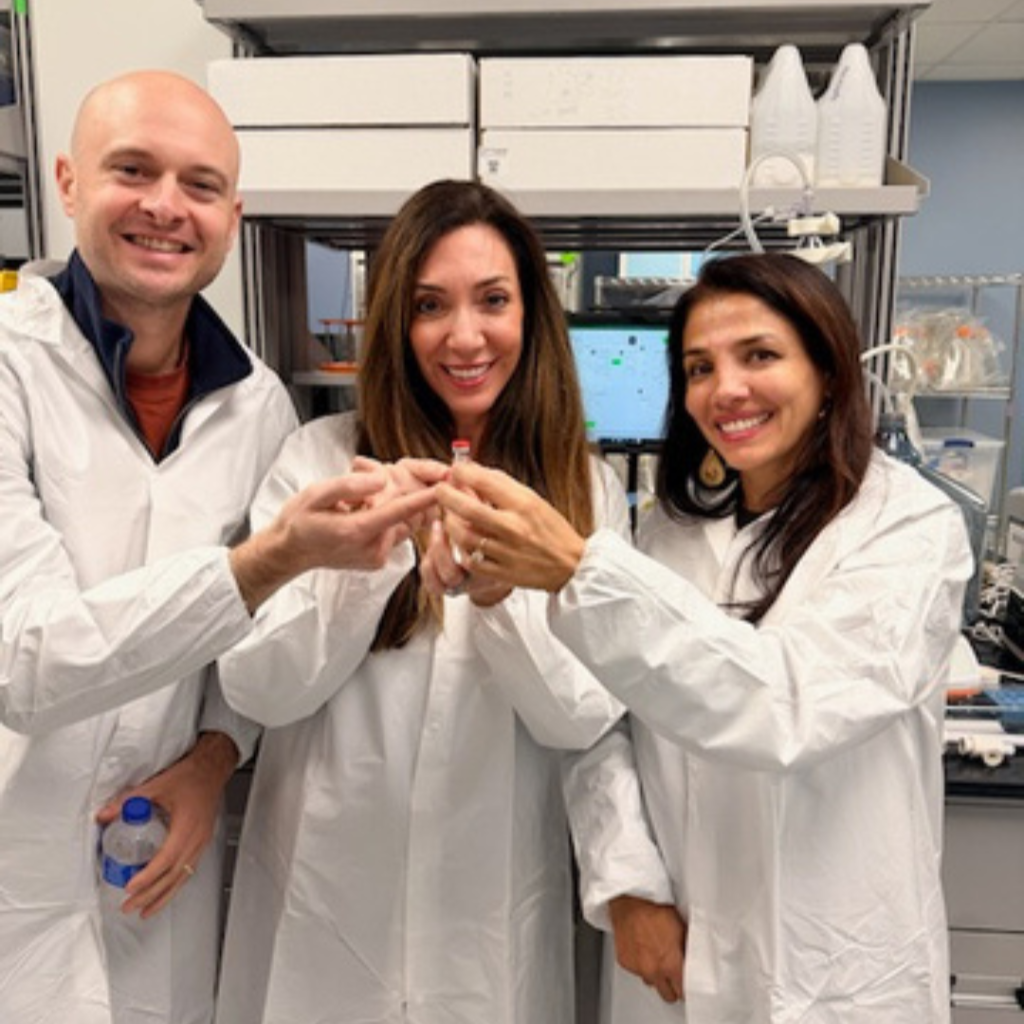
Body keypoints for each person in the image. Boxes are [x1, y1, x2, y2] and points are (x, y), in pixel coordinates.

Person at [0, 70, 441, 1024]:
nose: (166, 207)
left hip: (159, 853)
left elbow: (239, 666)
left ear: (232, 216)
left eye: (199, 185)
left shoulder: (257, 406)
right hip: (16, 847)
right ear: (69, 183)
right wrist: (270, 559)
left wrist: (211, 761)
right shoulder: (8, 365)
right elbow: (27, 661)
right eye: (133, 171)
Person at [433, 252, 973, 1023]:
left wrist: (578, 571)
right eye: (698, 367)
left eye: (759, 356)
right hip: (677, 957)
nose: (726, 390)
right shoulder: (670, 536)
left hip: (839, 966)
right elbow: (602, 726)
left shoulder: (908, 530)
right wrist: (628, 885)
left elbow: (787, 705)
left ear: (827, 371)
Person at [214, 178, 630, 1024]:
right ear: (396, 327)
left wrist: (504, 593)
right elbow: (257, 689)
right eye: (430, 304)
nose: (464, 335)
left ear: (533, 318)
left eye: (494, 301)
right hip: (326, 914)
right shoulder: (318, 461)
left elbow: (582, 719)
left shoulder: (584, 491)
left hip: (484, 926)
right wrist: (364, 562)